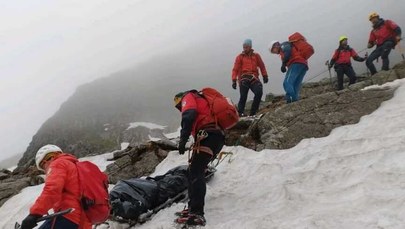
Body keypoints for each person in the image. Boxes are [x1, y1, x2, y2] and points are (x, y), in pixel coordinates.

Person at [173, 91, 225, 226]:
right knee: (194, 170)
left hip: (207, 135)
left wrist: (183, 139)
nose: (180, 109)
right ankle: (192, 208)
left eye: (179, 106)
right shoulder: (202, 100)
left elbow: (189, 114)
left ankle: (196, 213)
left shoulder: (188, 97)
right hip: (215, 136)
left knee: (196, 171)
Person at [21, 144, 92, 229]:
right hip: (84, 220)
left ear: (46, 160)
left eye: (43, 166)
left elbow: (52, 190)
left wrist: (34, 214)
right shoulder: (73, 164)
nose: (45, 169)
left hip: (68, 216)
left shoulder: (57, 164)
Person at [231, 39, 268, 117]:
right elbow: (235, 69)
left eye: (246, 47)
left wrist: (265, 75)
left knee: (259, 92)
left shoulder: (256, 56)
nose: (245, 49)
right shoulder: (240, 57)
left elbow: (262, 66)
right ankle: (240, 112)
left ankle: (253, 113)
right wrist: (234, 80)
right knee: (243, 96)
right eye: (244, 47)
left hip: (254, 78)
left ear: (250, 46)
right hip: (243, 78)